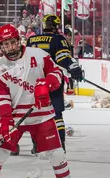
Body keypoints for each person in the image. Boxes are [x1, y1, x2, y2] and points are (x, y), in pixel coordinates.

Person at [0, 24, 79, 178]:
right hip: (15, 118)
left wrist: (47, 85)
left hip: (42, 115)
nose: (10, 47)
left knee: (57, 154)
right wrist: (6, 123)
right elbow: (2, 98)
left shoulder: (38, 55)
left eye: (12, 42)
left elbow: (58, 73)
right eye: (5, 44)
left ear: (19, 41)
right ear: (1, 46)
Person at [23, 14, 84, 155]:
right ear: (56, 27)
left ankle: (37, 145)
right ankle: (60, 145)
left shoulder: (31, 39)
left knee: (35, 114)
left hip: (33, 82)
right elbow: (63, 58)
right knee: (56, 114)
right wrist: (74, 68)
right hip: (52, 81)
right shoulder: (58, 39)